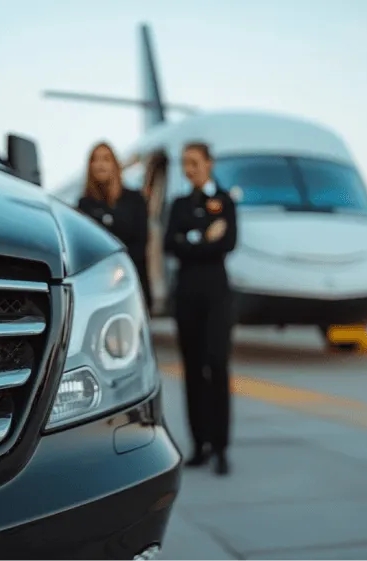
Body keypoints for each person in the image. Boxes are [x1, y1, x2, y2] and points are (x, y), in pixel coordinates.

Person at [163, 141, 238, 476]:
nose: (188, 169)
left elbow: (228, 242)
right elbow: (170, 244)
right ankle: (199, 444)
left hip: (216, 297)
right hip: (187, 297)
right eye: (184, 163)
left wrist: (190, 240)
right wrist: (203, 238)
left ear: (209, 163)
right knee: (192, 370)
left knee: (217, 367)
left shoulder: (224, 202)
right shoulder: (179, 204)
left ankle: (221, 446)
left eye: (194, 162)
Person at [77, 142, 152, 308]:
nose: (100, 164)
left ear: (115, 164)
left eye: (106, 159)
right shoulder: (84, 205)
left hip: (132, 282)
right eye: (95, 160)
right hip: (98, 286)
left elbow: (141, 242)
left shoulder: (134, 199)